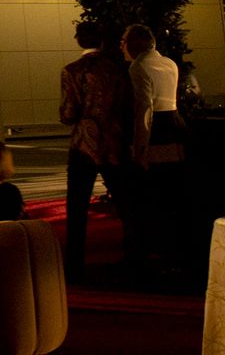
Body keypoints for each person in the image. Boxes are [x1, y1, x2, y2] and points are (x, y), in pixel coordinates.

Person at [60, 21, 128, 280]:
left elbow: (69, 112)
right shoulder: (116, 69)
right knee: (124, 202)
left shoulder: (72, 71)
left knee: (77, 205)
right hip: (113, 141)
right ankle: (133, 253)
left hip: (83, 144)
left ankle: (75, 263)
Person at [123, 23, 183, 271]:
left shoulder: (138, 67)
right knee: (171, 189)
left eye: (124, 41)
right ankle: (174, 244)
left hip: (155, 131)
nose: (122, 46)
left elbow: (144, 109)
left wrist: (140, 146)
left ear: (134, 44)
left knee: (149, 191)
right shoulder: (169, 64)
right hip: (173, 125)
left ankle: (150, 247)